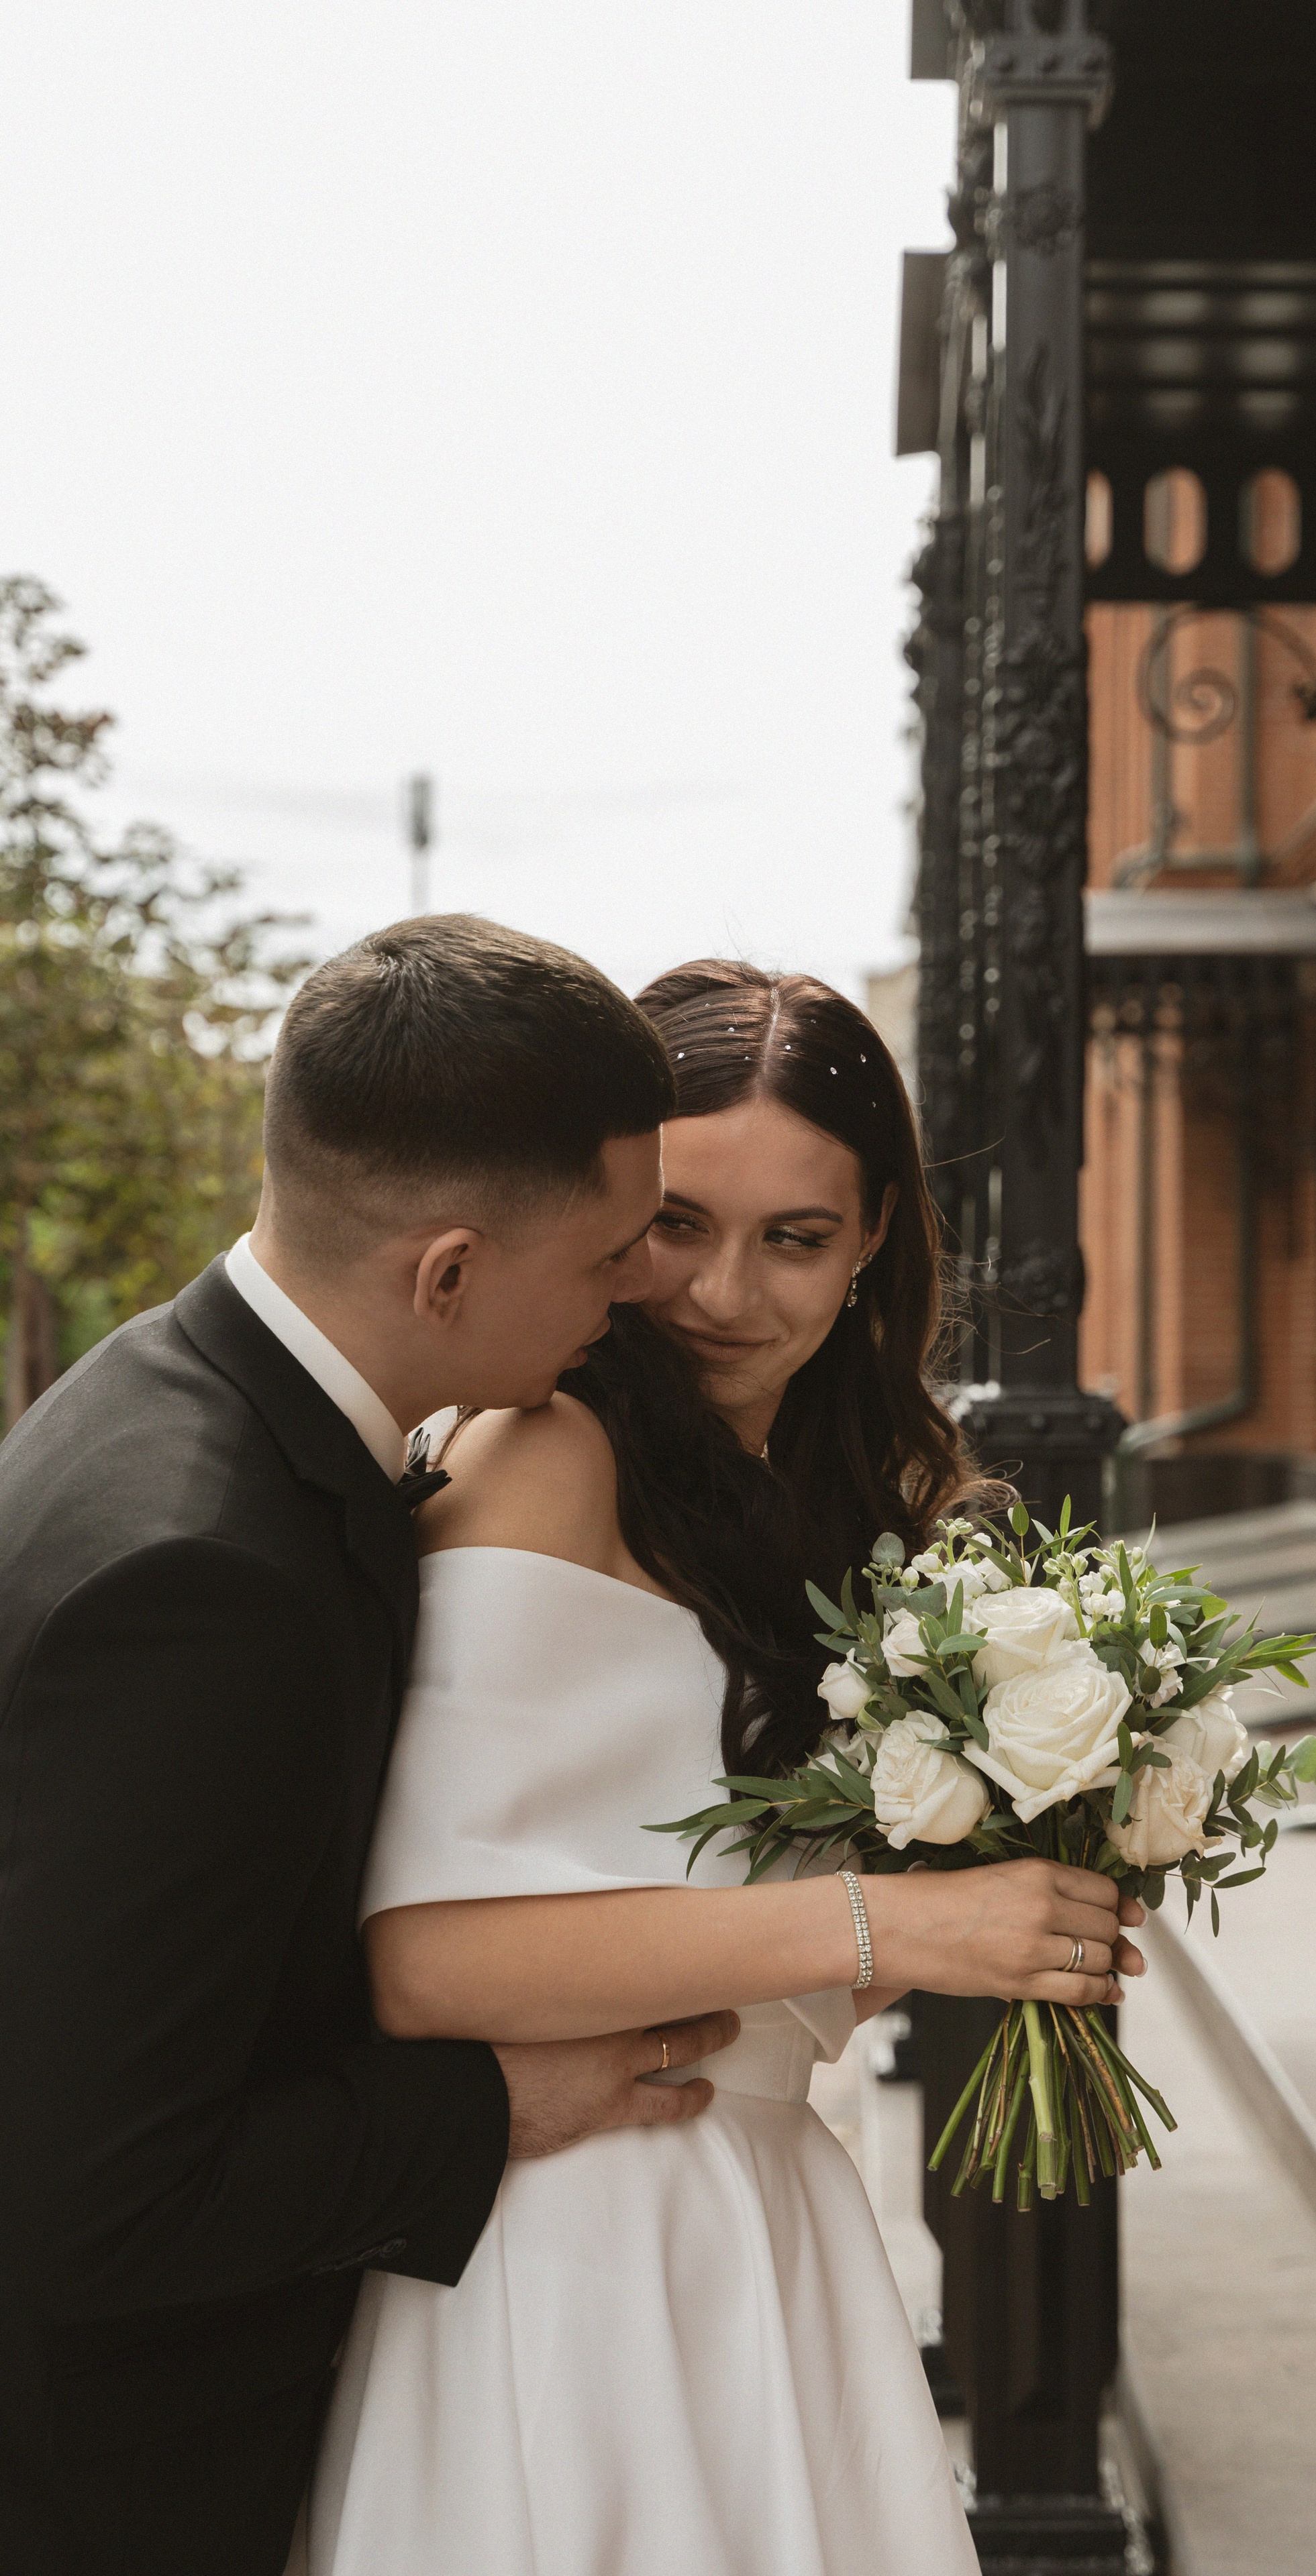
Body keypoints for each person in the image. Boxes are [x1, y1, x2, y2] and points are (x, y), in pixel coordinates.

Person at [307, 960, 1144, 2576]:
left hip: (760, 2217)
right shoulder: (545, 1459)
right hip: (556, 2253)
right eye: (675, 1225)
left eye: (795, 1240)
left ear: (877, 1237)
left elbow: (741, 1947)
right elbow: (426, 1962)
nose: (718, 1296)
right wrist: (900, 1928)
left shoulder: (868, 1492)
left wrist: (1037, 1855)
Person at [0, 915, 747, 2576]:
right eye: (612, 1252)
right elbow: (89, 2198)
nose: (647, 1292)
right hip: (121, 2497)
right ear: (450, 1275)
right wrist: (489, 2104)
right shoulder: (201, 1578)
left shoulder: (169, 1393)